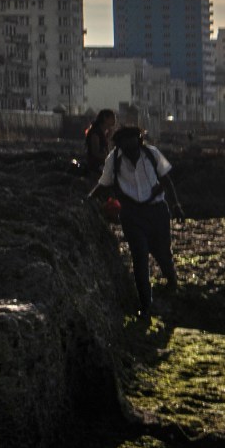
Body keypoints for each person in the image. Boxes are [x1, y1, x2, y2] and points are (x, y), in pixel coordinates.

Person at [88, 124, 182, 317]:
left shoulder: (152, 154)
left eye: (134, 141)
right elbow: (103, 185)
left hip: (157, 211)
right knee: (139, 258)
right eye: (125, 143)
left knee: (162, 252)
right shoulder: (113, 160)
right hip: (131, 215)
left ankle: (172, 281)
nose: (131, 146)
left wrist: (175, 206)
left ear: (139, 140)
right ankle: (145, 305)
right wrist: (87, 200)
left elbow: (166, 180)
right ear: (119, 144)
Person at [78, 109, 117, 179]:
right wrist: (106, 156)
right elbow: (95, 152)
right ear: (105, 118)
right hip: (96, 167)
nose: (115, 120)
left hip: (102, 165)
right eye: (113, 118)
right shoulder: (95, 133)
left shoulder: (104, 132)